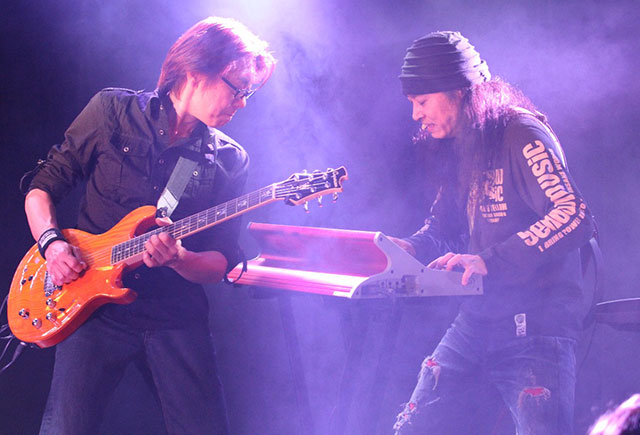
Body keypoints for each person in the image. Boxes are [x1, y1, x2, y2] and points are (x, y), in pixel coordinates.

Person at [24, 17, 275, 434]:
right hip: (95, 311)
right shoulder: (112, 112)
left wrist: (179, 258)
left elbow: (222, 261)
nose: (242, 103)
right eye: (238, 89)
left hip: (174, 315)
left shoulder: (229, 159)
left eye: (249, 94)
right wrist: (52, 245)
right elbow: (42, 188)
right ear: (197, 72)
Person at [391, 31, 595, 434]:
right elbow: (443, 226)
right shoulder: (463, 144)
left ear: (457, 92)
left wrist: (491, 259)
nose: (416, 114)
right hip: (478, 320)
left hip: (536, 327)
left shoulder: (520, 132)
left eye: (422, 101)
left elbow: (573, 214)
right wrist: (406, 248)